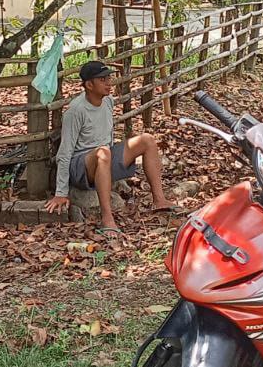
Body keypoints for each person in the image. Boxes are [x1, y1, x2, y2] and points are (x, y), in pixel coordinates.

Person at [46, 60, 173, 236]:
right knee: (103, 152)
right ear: (89, 85)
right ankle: (107, 218)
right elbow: (65, 152)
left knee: (147, 140)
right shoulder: (76, 110)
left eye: (108, 78)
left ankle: (159, 200)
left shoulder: (108, 101)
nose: (108, 83)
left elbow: (108, 136)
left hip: (104, 156)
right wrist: (61, 192)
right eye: (102, 80)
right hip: (81, 166)